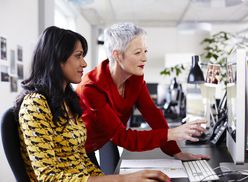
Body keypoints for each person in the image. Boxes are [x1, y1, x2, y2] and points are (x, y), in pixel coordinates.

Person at [14, 26, 169, 182]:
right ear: (57, 59)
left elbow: (82, 161)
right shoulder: (35, 104)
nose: (84, 63)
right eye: (78, 56)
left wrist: (115, 179)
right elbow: (48, 178)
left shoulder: (66, 101)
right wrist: (121, 179)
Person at [76, 22, 209, 161]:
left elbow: (153, 115)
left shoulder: (135, 79)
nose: (145, 58)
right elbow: (123, 137)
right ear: (117, 55)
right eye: (138, 52)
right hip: (79, 148)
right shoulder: (91, 88)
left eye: (145, 51)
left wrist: (176, 152)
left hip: (108, 136)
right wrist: (172, 133)